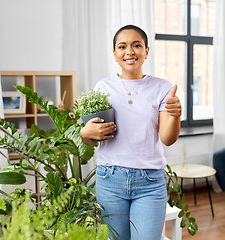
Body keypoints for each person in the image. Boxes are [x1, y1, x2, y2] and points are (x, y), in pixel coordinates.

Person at [80, 24, 182, 240]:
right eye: (122, 46)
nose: (130, 51)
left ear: (146, 51)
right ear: (114, 53)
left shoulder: (162, 88)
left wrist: (175, 115)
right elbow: (92, 140)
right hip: (110, 180)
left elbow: (167, 139)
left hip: (150, 182)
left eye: (137, 45)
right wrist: (85, 134)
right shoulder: (103, 87)